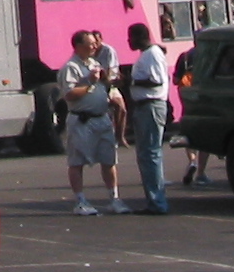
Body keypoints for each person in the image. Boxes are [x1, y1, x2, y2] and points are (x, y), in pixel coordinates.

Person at [60, 29, 127, 216]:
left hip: (102, 118)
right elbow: (69, 93)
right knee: (77, 161)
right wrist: (89, 83)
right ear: (79, 46)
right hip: (82, 120)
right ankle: (80, 201)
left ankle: (114, 198)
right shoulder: (70, 67)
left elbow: (103, 86)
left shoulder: (94, 63)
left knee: (109, 159)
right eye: (91, 44)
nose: (95, 46)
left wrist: (107, 83)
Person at [123, 22, 169, 215]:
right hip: (145, 107)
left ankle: (157, 202)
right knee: (147, 155)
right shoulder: (147, 55)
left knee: (150, 155)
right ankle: (154, 200)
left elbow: (155, 80)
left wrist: (131, 81)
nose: (128, 41)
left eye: (130, 37)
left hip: (151, 106)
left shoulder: (152, 54)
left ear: (139, 37)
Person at [173, 47, 210, 185]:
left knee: (188, 134)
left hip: (187, 101)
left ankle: (192, 160)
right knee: (205, 136)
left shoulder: (185, 56)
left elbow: (176, 80)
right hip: (204, 100)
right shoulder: (210, 56)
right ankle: (201, 173)